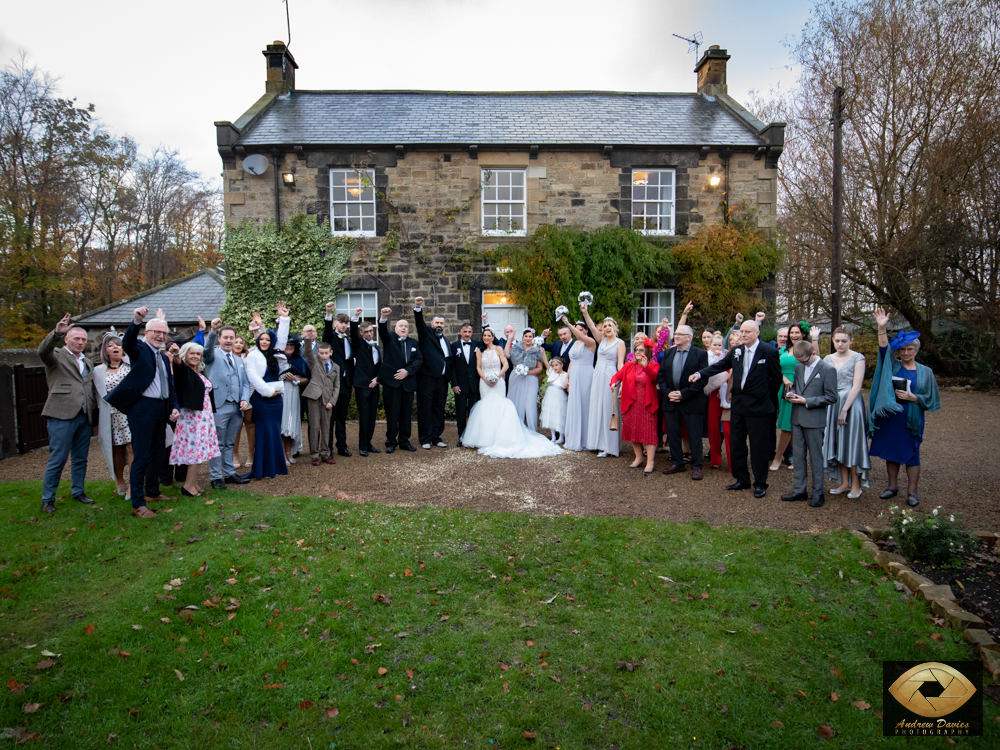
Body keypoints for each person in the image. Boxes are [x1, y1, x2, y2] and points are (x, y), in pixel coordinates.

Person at [689, 319, 782, 498]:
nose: (743, 334)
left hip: (759, 409)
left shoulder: (769, 352)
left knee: (758, 447)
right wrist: (700, 373)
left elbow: (776, 379)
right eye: (742, 332)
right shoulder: (736, 352)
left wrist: (767, 400)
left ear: (757, 333)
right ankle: (742, 479)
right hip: (737, 406)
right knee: (737, 444)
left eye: (747, 332)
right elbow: (719, 366)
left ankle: (760, 483)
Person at [104, 307, 181, 518]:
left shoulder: (164, 358)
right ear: (146, 334)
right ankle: (138, 503)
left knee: (158, 453)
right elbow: (127, 343)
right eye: (156, 332)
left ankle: (153, 492)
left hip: (160, 409)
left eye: (163, 333)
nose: (160, 336)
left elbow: (169, 386)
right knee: (141, 455)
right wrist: (136, 320)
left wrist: (173, 406)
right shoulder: (139, 348)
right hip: (142, 409)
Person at [868, 308, 941, 507]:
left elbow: (932, 398)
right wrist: (881, 328)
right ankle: (892, 486)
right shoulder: (893, 365)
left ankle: (912, 491)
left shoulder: (926, 372)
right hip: (891, 416)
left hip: (912, 417)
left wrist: (914, 397)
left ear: (916, 350)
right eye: (902, 350)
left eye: (910, 349)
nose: (906, 353)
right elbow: (883, 350)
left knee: (911, 454)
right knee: (891, 452)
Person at [460, 328, 562, 458]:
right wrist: (485, 379)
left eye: (489, 335)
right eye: (484, 335)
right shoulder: (479, 351)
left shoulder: (498, 349)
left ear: (493, 337)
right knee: (486, 407)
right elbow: (478, 367)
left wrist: (498, 376)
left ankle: (500, 436)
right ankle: (486, 437)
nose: (486, 338)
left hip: (498, 381)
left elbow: (506, 365)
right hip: (485, 382)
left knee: (499, 407)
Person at [37, 314, 98, 515]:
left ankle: (78, 492)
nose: (80, 342)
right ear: (66, 339)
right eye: (76, 339)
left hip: (84, 415)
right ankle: (48, 499)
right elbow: (42, 351)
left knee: (80, 458)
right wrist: (55, 333)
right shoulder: (56, 356)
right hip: (61, 414)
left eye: (83, 340)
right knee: (58, 458)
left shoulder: (88, 361)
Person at [780, 341, 838, 507]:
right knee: (798, 456)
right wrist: (793, 394)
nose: (801, 363)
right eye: (799, 361)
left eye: (804, 360)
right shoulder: (799, 368)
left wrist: (807, 401)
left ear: (813, 353)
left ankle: (818, 493)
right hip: (797, 418)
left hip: (814, 420)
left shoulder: (828, 370)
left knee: (815, 458)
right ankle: (800, 490)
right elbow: (799, 387)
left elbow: (832, 397)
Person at [201, 320, 251, 491]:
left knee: (230, 442)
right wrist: (212, 331)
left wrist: (245, 399)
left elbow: (244, 383)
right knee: (218, 443)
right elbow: (206, 351)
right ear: (220, 339)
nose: (229, 341)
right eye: (226, 338)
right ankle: (216, 477)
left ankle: (229, 473)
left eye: (232, 338)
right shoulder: (212, 356)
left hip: (237, 407)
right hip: (219, 405)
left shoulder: (238, 360)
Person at [823, 327, 870, 497]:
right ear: (833, 340)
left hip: (851, 404)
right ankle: (844, 482)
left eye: (844, 340)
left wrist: (844, 410)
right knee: (837, 442)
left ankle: (856, 484)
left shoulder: (858, 358)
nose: (840, 344)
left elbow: (857, 386)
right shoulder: (828, 359)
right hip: (832, 403)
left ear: (851, 340)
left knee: (851, 443)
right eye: (837, 341)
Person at [169, 342, 221, 497]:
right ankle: (188, 486)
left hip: (204, 417)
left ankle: (194, 482)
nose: (195, 357)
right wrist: (176, 355)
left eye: (198, 354)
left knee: (201, 450)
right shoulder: (183, 370)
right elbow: (178, 365)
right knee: (195, 451)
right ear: (185, 354)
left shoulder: (198, 372)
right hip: (192, 418)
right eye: (192, 353)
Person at [244, 306, 290, 479]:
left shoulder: (276, 353)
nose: (264, 342)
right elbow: (253, 377)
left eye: (267, 340)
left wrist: (284, 319)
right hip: (262, 399)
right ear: (257, 341)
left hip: (276, 400)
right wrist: (268, 391)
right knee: (263, 431)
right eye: (261, 339)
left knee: (275, 430)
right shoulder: (253, 355)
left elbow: (283, 338)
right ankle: (262, 468)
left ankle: (275, 467)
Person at [657, 325, 709, 479]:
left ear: (689, 337)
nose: (676, 336)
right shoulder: (668, 352)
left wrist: (683, 394)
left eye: (680, 334)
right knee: (673, 434)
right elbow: (661, 375)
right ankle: (677, 463)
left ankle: (697, 466)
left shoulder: (700, 354)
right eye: (675, 334)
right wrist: (668, 393)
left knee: (694, 434)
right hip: (671, 401)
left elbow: (702, 379)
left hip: (691, 401)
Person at [611, 338, 660, 474]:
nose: (638, 352)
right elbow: (616, 376)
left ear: (648, 352)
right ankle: (638, 458)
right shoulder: (629, 365)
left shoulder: (654, 365)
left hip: (647, 403)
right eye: (636, 350)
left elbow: (655, 377)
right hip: (631, 404)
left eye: (641, 350)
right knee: (634, 430)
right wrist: (613, 383)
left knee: (648, 432)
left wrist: (645, 366)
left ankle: (650, 461)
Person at [582, 304, 625, 457]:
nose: (607, 328)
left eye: (610, 325)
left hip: (610, 376)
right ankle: (597, 442)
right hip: (598, 374)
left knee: (608, 409)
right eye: (605, 326)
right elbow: (592, 326)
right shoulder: (601, 340)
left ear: (615, 327)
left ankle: (609, 446)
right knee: (597, 407)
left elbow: (620, 364)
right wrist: (585, 312)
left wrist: (620, 383)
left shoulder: (619, 343)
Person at [378, 307, 423, 453]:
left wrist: (407, 371)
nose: (404, 328)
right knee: (392, 414)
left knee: (406, 414)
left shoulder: (413, 343)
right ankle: (391, 441)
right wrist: (383, 318)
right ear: (395, 328)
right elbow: (382, 332)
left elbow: (418, 359)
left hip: (408, 384)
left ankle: (404, 441)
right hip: (392, 384)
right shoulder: (389, 338)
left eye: (406, 326)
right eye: (401, 326)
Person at [93, 332, 132, 497]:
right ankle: (119, 480)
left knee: (132, 447)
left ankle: (133, 483)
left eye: (118, 344)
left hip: (129, 412)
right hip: (111, 415)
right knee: (116, 449)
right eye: (111, 345)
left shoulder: (130, 366)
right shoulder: (98, 371)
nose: (115, 347)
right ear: (105, 351)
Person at [412, 297, 453, 449]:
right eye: (437, 323)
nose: (439, 326)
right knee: (425, 408)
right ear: (432, 324)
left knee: (438, 408)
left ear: (444, 325)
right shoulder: (426, 334)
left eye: (441, 323)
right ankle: (424, 439)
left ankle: (436, 437)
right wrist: (418, 307)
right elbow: (419, 323)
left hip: (442, 380)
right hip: (426, 379)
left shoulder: (446, 340)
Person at [559, 314, 596, 451]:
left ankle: (587, 440)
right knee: (574, 405)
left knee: (585, 405)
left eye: (581, 329)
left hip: (586, 375)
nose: (579, 331)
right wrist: (567, 378)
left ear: (586, 330)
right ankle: (574, 438)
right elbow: (571, 363)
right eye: (577, 329)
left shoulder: (591, 342)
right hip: (574, 374)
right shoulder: (574, 344)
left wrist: (568, 324)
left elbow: (580, 337)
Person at [323, 304, 355, 457]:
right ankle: (327, 449)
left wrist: (352, 383)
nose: (344, 325)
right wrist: (328, 312)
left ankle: (341, 446)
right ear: (335, 323)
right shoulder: (330, 338)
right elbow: (327, 331)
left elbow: (349, 363)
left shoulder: (348, 340)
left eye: (346, 323)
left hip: (346, 384)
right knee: (329, 418)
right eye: (341, 322)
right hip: (331, 385)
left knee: (341, 418)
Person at [302, 340, 341, 465]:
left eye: (326, 353)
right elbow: (307, 353)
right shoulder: (314, 361)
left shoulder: (336, 367)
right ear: (318, 352)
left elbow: (337, 386)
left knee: (326, 427)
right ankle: (314, 454)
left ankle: (325, 453)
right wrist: (307, 339)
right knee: (314, 427)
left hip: (327, 400)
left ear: (331, 353)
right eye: (321, 353)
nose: (324, 356)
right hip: (314, 397)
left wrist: (332, 401)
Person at [349, 310, 382, 456]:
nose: (369, 333)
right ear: (361, 333)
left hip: (375, 386)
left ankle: (368, 443)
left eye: (371, 331)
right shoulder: (358, 344)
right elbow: (353, 335)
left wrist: (378, 379)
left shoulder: (375, 346)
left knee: (372, 417)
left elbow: (380, 366)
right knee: (364, 417)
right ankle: (362, 446)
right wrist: (355, 318)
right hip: (362, 386)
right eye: (366, 332)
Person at [507, 328, 547, 431]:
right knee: (515, 401)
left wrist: (527, 372)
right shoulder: (516, 347)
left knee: (529, 404)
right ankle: (515, 428)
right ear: (523, 337)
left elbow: (539, 368)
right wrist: (509, 339)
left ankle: (531, 429)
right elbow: (506, 354)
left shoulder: (537, 350)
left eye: (530, 336)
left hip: (531, 378)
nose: (528, 338)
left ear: (533, 338)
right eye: (526, 336)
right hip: (516, 378)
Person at [279, 332, 310, 464]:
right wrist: (281, 377)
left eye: (292, 344)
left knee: (291, 423)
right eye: (286, 344)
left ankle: (289, 452)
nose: (289, 346)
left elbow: (307, 378)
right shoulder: (277, 360)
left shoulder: (299, 360)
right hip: (280, 393)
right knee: (282, 423)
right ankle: (282, 454)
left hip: (294, 392)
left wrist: (296, 379)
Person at [450, 322, 481, 447]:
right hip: (460, 385)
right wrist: (454, 384)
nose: (467, 334)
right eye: (465, 332)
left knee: (474, 413)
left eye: (469, 332)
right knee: (461, 413)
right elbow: (451, 367)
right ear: (460, 332)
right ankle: (461, 437)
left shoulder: (477, 345)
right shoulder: (454, 346)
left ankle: (474, 438)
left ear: (472, 333)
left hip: (474, 385)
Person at [703, 333, 728, 470]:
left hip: (726, 387)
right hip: (713, 388)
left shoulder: (725, 354)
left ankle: (732, 459)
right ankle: (715, 457)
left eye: (719, 345)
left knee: (728, 429)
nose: (717, 347)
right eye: (715, 345)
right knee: (713, 427)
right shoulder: (708, 355)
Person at [231, 335, 254, 470]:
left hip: (249, 394)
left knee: (250, 424)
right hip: (233, 397)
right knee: (236, 427)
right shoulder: (226, 358)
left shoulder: (248, 357)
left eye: (241, 342)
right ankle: (235, 455)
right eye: (236, 342)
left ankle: (251, 454)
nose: (238, 344)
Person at [540, 356, 569, 443]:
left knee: (559, 415)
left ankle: (561, 436)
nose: (554, 367)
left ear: (562, 365)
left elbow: (566, 386)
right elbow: (546, 363)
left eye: (556, 365)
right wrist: (543, 353)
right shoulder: (552, 373)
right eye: (553, 365)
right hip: (551, 395)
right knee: (550, 414)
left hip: (560, 395)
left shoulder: (565, 375)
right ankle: (553, 436)